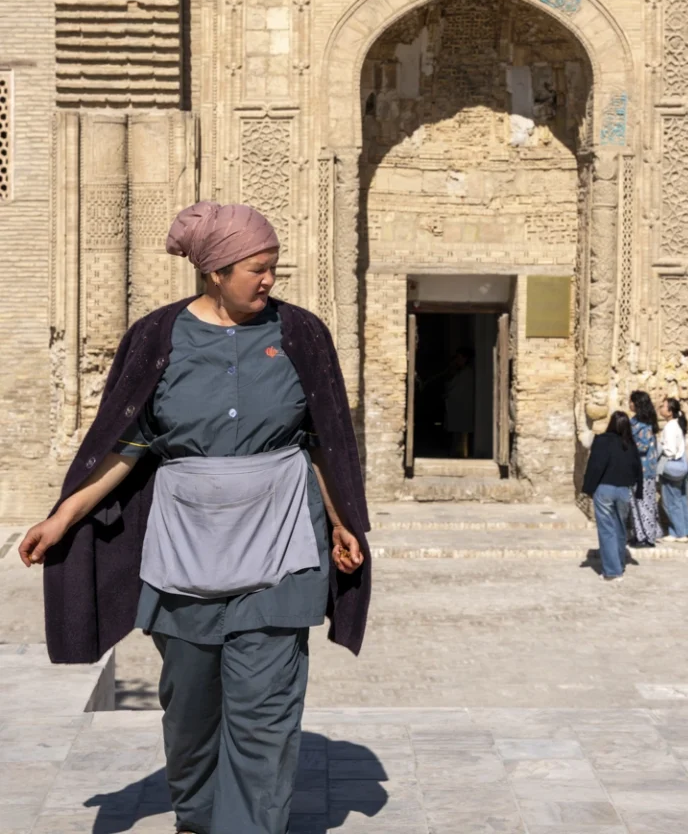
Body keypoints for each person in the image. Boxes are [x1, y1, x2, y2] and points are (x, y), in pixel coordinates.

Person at [19, 201, 371, 834]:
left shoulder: (301, 333)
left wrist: (343, 521)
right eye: (257, 269)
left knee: (265, 713)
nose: (269, 281)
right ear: (214, 271)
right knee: (190, 708)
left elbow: (323, 438)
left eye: (274, 269)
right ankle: (199, 816)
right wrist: (63, 516)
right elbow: (126, 442)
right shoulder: (159, 336)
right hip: (185, 547)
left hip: (281, 543)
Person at [582, 411, 643, 582]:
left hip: (605, 489)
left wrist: (589, 488)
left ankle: (612, 570)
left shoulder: (602, 440)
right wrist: (638, 491)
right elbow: (637, 467)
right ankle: (620, 563)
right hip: (623, 490)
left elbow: (595, 465)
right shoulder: (630, 444)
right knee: (620, 527)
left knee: (607, 529)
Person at [658, 396, 688, 543]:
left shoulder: (670, 427)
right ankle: (687, 531)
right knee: (680, 500)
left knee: (670, 501)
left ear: (670, 411)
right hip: (682, 465)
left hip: (672, 465)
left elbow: (670, 451)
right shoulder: (677, 425)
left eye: (663, 406)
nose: (660, 408)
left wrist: (658, 449)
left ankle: (679, 533)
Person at [628, 391, 661, 548]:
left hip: (644, 471)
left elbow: (643, 446)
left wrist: (627, 444)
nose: (630, 404)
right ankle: (638, 534)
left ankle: (648, 537)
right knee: (634, 503)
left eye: (632, 401)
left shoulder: (645, 425)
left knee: (645, 503)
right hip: (633, 469)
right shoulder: (633, 421)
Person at [443, 346, 475, 458]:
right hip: (457, 406)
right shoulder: (461, 372)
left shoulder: (468, 372)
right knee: (456, 431)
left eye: (459, 358)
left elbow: (454, 386)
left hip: (464, 406)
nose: (457, 360)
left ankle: (462, 453)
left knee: (462, 431)